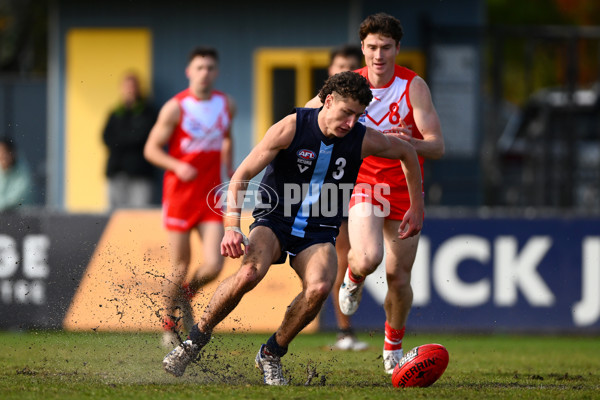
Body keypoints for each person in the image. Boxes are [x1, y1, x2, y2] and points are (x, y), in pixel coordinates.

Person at [162, 71, 424, 385]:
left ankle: (271, 353)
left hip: (319, 229)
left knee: (319, 288)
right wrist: (232, 227)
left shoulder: (362, 137)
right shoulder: (292, 126)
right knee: (248, 273)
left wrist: (416, 206)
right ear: (329, 101)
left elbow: (407, 152)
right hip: (275, 220)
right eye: (346, 113)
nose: (351, 123)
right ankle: (193, 342)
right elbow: (242, 173)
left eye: (358, 115)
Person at [336, 13, 444, 374]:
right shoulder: (350, 85)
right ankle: (353, 279)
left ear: (398, 48)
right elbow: (315, 118)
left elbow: (437, 146)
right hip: (366, 184)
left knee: (399, 278)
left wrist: (408, 141)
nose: (378, 55)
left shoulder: (413, 86)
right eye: (371, 47)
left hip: (405, 189)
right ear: (362, 49)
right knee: (367, 258)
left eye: (385, 47)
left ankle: (393, 345)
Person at [144, 47, 236, 348]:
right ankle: (169, 325)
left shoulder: (226, 104)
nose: (205, 73)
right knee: (180, 265)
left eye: (210, 67)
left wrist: (231, 168)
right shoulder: (176, 108)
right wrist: (176, 165)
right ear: (189, 71)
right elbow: (151, 149)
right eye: (199, 67)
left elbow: (226, 137)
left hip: (210, 195)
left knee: (213, 265)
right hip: (181, 195)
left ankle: (186, 296)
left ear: (217, 71)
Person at [308, 44, 368, 351]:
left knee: (353, 259)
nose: (346, 72)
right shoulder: (315, 108)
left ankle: (345, 329)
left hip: (361, 188)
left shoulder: (364, 105)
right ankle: (343, 330)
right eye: (340, 67)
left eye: (352, 68)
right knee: (336, 260)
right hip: (327, 192)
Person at [102, 72, 158, 209]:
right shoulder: (115, 113)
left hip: (140, 174)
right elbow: (106, 137)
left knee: (139, 217)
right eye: (126, 87)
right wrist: (129, 139)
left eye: (132, 87)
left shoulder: (148, 112)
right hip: (116, 172)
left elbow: (143, 137)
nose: (129, 90)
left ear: (138, 88)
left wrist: (120, 140)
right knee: (113, 216)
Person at [0, 137, 32, 212]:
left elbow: (13, 201)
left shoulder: (23, 173)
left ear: (11, 154)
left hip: (21, 217)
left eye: (4, 153)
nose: (1, 157)